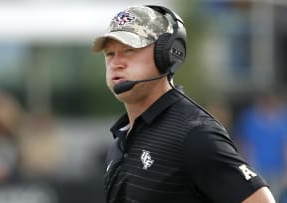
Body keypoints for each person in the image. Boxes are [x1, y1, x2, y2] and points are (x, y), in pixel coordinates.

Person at [92, 5, 276, 203]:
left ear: (167, 54)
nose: (116, 63)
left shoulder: (194, 134)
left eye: (129, 50)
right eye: (110, 54)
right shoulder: (122, 140)